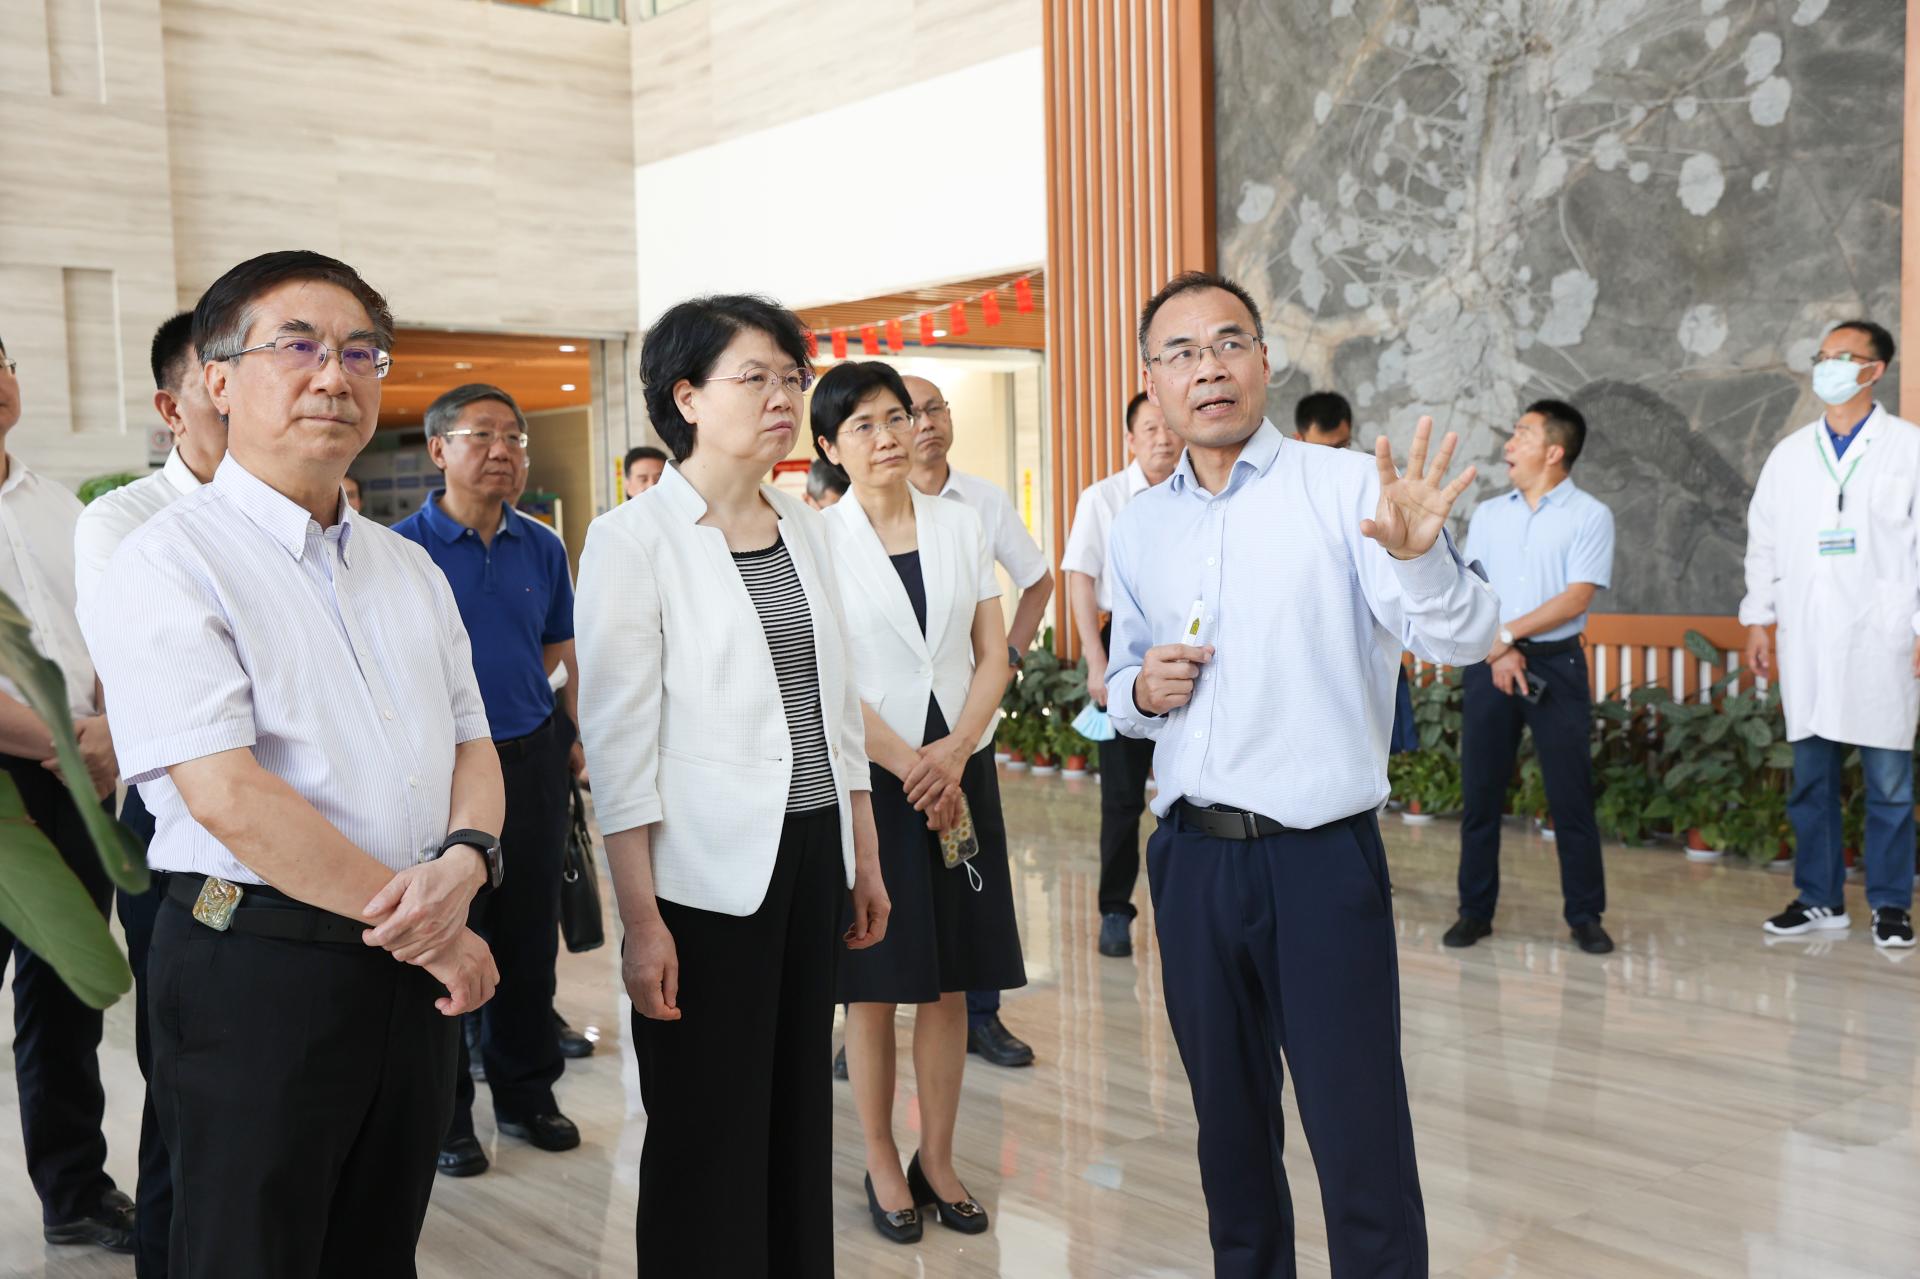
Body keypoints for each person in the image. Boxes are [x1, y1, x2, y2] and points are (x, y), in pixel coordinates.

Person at [80, 250, 506, 1278]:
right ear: (218, 381)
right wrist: (430, 931)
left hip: (410, 962)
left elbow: (471, 741)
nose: (334, 375)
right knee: (250, 1253)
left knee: (378, 1246)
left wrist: (466, 860)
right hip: (260, 967)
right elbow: (226, 793)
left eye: (360, 352)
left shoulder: (409, 566)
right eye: (299, 346)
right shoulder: (167, 558)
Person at [1106, 270, 1498, 1277]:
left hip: (1318, 863)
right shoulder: (1140, 524)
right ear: (1151, 380)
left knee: (1358, 1131)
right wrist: (1140, 689)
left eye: (1227, 343)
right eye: (1181, 353)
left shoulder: (1347, 490)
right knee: (1229, 1137)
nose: (1207, 368)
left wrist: (1422, 559)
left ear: (1264, 361)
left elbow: (1462, 636)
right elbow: (1119, 683)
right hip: (1190, 862)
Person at [575, 294, 888, 1278]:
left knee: (796, 1111)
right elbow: (618, 751)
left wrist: (864, 854)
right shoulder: (633, 539)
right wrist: (642, 923)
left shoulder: (806, 526)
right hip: (701, 882)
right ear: (685, 397)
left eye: (792, 377)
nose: (782, 395)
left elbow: (837, 708)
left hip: (809, 857)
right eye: (755, 376)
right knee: (706, 1128)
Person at [811, 361, 1025, 1245]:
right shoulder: (814, 540)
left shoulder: (959, 521)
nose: (887, 436)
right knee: (873, 987)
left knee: (948, 981)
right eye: (861, 425)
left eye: (895, 417)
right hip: (875, 779)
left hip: (959, 766)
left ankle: (937, 1155)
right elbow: (826, 680)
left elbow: (992, 654)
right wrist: (912, 766)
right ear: (829, 447)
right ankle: (880, 1159)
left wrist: (957, 751)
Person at [72, 309, 230, 1275]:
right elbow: (149, 686)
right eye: (222, 383)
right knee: (182, 1068)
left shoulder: (316, 516)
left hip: (295, 840)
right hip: (175, 830)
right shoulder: (123, 521)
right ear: (176, 406)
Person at [393, 383, 582, 1177]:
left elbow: (556, 648)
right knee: (447, 933)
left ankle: (528, 1093)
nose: (503, 450)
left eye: (515, 437)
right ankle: (447, 1116)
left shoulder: (542, 545)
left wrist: (566, 734)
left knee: (530, 936)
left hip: (531, 759)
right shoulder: (399, 552)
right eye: (483, 435)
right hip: (442, 773)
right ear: (439, 449)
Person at [0, 332, 131, 1256]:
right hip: (26, 768)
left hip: (82, 772)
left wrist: (112, 732)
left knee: (66, 991)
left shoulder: (66, 509)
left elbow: (111, 635)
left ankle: (75, 1191)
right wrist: (63, 742)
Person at [1745, 319, 1917, 949]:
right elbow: (1763, 541)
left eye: (1843, 356)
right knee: (1812, 780)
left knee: (1890, 785)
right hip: (1809, 639)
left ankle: (1891, 904)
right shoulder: (1790, 454)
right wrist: (1758, 618)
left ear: (1875, 370)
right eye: (1823, 356)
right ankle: (1819, 898)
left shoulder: (1909, 449)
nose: (1828, 366)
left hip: (1882, 636)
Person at [904, 373, 1048, 1068]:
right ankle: (874, 1018)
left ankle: (980, 1015)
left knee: (969, 864)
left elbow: (1037, 579)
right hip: (892, 730)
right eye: (908, 413)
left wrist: (1010, 655)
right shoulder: (857, 513)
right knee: (890, 872)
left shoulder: (981, 502)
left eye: (935, 408)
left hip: (967, 720)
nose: (925, 423)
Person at [1446, 399, 1616, 955]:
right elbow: (1472, 588)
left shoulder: (1590, 515)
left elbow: (1576, 598)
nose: (1509, 444)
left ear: (1554, 451)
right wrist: (1497, 649)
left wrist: (1506, 636)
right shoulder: (1490, 514)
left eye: (1522, 433)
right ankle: (1474, 912)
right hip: (1490, 662)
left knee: (1571, 796)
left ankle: (1585, 916)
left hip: (1555, 666)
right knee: (1480, 794)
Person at [1060, 390, 1179, 958]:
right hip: (1123, 646)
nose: (1163, 437)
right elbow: (1080, 578)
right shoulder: (1103, 498)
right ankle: (1114, 909)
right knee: (1123, 795)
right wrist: (1096, 660)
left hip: (1189, 642)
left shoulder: (1200, 493)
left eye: (1168, 426)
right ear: (1131, 439)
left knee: (1194, 785)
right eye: (1150, 428)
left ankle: (1181, 905)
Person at [1294, 390, 1421, 755]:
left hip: (1363, 633)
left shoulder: (1364, 483)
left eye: (1343, 445)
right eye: (1326, 448)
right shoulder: (1284, 494)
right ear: (1299, 439)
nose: (1337, 456)